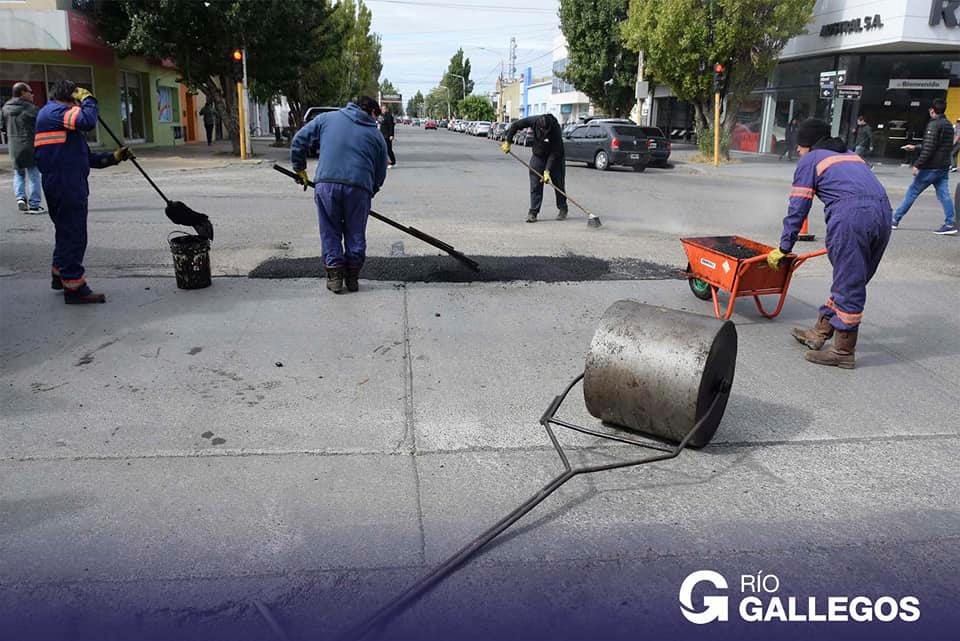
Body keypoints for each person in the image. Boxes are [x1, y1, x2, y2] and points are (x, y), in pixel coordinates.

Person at [767, 118, 891, 369]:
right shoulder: (852, 156)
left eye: (799, 147)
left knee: (849, 284)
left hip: (851, 218)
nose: (798, 152)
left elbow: (798, 207)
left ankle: (843, 351)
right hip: (884, 215)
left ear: (808, 145)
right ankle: (821, 332)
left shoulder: (811, 160)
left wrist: (784, 247)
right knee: (852, 279)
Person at [33, 80, 133, 303]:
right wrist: (89, 99)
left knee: (65, 232)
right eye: (77, 99)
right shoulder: (55, 112)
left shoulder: (61, 122)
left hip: (64, 182)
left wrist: (114, 157)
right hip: (65, 184)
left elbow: (87, 159)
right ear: (71, 97)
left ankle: (60, 275)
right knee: (74, 235)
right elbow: (88, 121)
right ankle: (75, 288)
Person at [290, 96, 388, 294]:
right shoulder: (375, 135)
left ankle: (335, 277)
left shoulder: (326, 119)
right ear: (371, 112)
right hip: (359, 189)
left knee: (330, 230)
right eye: (375, 117)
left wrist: (299, 168)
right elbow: (381, 170)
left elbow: (299, 140)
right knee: (355, 232)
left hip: (326, 185)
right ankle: (352, 277)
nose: (375, 122)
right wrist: (372, 190)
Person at [891, 98, 956, 235]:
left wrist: (917, 164)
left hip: (930, 167)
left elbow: (929, 148)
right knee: (944, 195)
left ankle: (895, 220)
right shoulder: (948, 125)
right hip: (942, 167)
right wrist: (915, 147)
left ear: (932, 110)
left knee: (912, 192)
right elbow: (937, 146)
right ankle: (950, 223)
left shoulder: (934, 125)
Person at [501, 112, 567, 222]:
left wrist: (547, 170)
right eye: (542, 130)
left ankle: (563, 208)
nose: (544, 133)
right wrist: (508, 141)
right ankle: (533, 212)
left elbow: (556, 152)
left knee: (558, 183)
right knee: (535, 184)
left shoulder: (556, 129)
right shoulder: (534, 121)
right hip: (538, 156)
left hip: (555, 157)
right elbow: (515, 125)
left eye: (546, 131)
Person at [2, 82, 44, 213]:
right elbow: (41, 125)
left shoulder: (5, 108)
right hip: (30, 144)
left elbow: (2, 126)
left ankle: (20, 198)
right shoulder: (31, 109)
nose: (32, 94)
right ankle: (34, 204)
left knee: (19, 174)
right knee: (34, 175)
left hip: (14, 146)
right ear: (23, 93)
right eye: (30, 92)